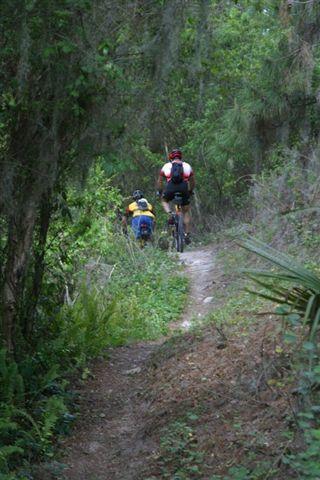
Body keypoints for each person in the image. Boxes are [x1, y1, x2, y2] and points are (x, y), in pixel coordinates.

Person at [157, 148, 195, 243]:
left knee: (164, 200)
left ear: (171, 157)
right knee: (186, 211)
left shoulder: (166, 166)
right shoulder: (187, 166)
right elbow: (192, 181)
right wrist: (190, 190)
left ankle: (170, 214)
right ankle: (187, 234)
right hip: (183, 188)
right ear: (180, 157)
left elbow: (160, 180)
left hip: (171, 188)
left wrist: (160, 191)